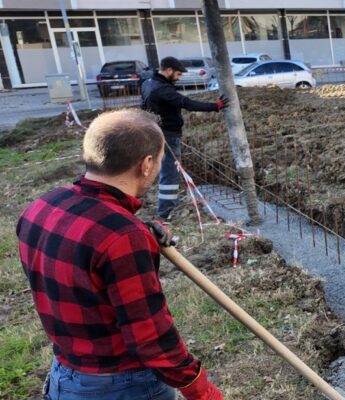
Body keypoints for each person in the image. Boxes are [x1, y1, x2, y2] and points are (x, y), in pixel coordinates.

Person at [16, 109, 223, 400]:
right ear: (147, 164)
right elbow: (151, 336)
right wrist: (201, 390)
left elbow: (82, 270)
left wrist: (139, 230)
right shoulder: (123, 238)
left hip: (65, 374)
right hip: (122, 386)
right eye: (161, 158)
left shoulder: (42, 208)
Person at [142, 56, 228, 223]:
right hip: (168, 135)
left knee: (166, 171)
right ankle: (165, 213)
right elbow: (186, 103)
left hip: (156, 132)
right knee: (170, 172)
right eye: (178, 74)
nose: (179, 78)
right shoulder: (163, 90)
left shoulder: (148, 83)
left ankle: (168, 207)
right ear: (168, 71)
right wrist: (214, 106)